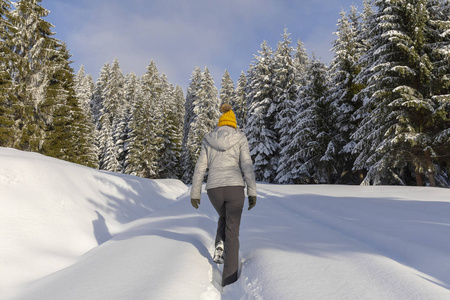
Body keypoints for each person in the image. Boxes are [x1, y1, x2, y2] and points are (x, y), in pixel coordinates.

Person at [190, 103, 257, 287]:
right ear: (233, 124)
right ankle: (229, 281)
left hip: (214, 189)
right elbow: (247, 166)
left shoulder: (208, 139)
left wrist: (195, 193)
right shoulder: (240, 137)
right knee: (233, 233)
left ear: (220, 123)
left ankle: (219, 243)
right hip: (235, 187)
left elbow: (200, 167)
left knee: (223, 216)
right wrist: (252, 191)